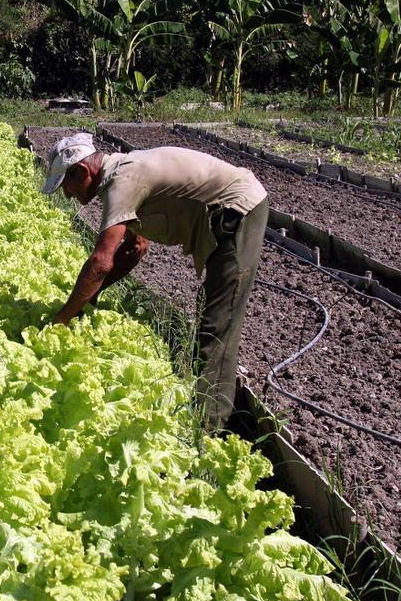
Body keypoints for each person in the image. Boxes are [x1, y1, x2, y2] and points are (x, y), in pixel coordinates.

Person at [42, 132, 269, 427]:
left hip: (238, 209)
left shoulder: (124, 181)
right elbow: (136, 248)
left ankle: (208, 428)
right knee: (212, 317)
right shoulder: (121, 174)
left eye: (65, 186)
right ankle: (206, 411)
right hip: (225, 210)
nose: (66, 195)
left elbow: (100, 262)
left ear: (83, 171)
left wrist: (61, 320)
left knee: (218, 326)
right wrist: (91, 297)